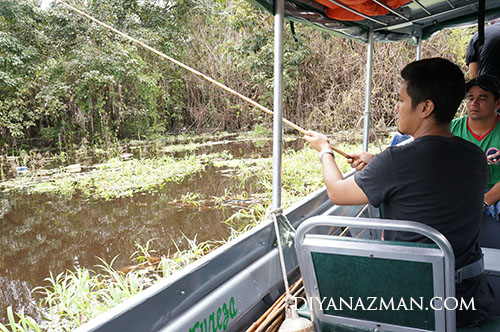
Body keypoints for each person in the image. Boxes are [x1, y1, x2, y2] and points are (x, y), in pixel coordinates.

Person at [305, 57, 495, 327]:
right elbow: (432, 179)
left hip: (416, 304)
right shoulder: (475, 156)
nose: (396, 107)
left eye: (401, 100)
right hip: (470, 299)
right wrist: (376, 165)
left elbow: (337, 193)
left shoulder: (396, 160)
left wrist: (324, 150)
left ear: (426, 108)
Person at [450, 75, 500, 248]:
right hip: (459, 190)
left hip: (495, 191)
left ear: (498, 104)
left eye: (482, 98)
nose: (474, 103)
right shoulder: (450, 128)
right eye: (470, 98)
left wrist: (484, 201)